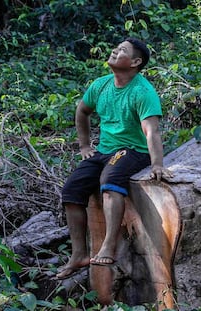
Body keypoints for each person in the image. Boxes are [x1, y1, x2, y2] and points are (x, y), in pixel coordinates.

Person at [55, 37, 172, 280]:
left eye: (122, 50)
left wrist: (158, 163)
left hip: (133, 151)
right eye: (116, 48)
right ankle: (78, 254)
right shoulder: (101, 85)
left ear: (135, 62)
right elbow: (82, 111)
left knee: (109, 181)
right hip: (104, 151)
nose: (115, 51)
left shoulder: (143, 91)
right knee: (71, 190)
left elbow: (151, 131)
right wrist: (85, 145)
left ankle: (108, 245)